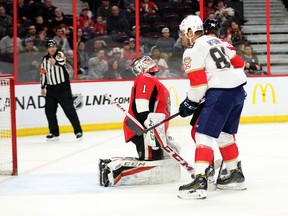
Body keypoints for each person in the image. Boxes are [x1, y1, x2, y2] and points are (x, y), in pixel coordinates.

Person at [177, 15, 247, 199]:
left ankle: (200, 181)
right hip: (238, 92)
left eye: (183, 34)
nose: (182, 38)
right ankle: (235, 175)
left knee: (203, 134)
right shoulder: (219, 41)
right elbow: (240, 64)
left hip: (220, 93)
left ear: (191, 32)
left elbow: (199, 84)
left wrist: (189, 102)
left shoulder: (192, 50)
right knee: (224, 134)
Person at [99, 56, 181, 187]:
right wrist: (151, 131)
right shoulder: (145, 78)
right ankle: (112, 170)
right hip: (144, 129)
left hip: (151, 128)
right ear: (140, 67)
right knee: (154, 163)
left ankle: (111, 164)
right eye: (145, 61)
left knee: (158, 160)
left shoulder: (152, 80)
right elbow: (142, 107)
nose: (149, 61)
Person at [40, 39, 83, 141]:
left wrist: (55, 62)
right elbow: (43, 74)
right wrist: (42, 87)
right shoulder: (44, 60)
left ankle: (78, 131)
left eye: (54, 46)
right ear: (47, 49)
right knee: (49, 111)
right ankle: (54, 132)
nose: (52, 49)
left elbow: (62, 62)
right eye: (50, 47)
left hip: (63, 87)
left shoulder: (60, 54)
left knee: (69, 110)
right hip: (50, 88)